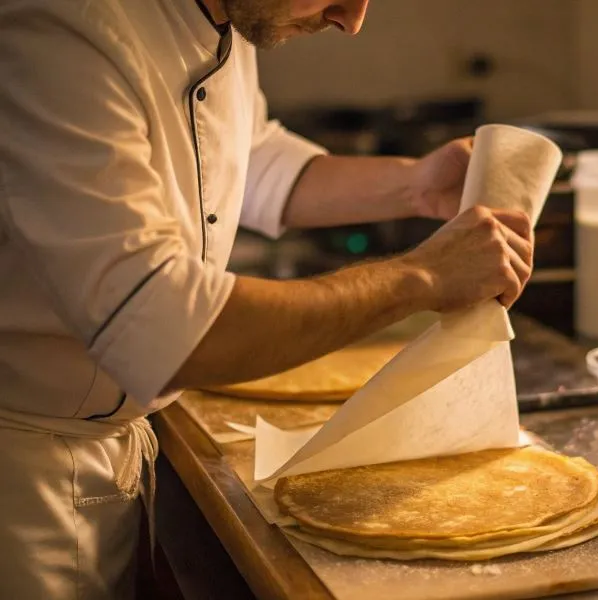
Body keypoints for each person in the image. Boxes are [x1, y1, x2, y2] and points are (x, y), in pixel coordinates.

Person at [0, 0, 535, 597]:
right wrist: (422, 276)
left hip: (107, 453)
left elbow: (245, 158)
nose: (351, 18)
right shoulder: (61, 28)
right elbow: (165, 330)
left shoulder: (226, 15)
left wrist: (411, 183)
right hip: (20, 479)